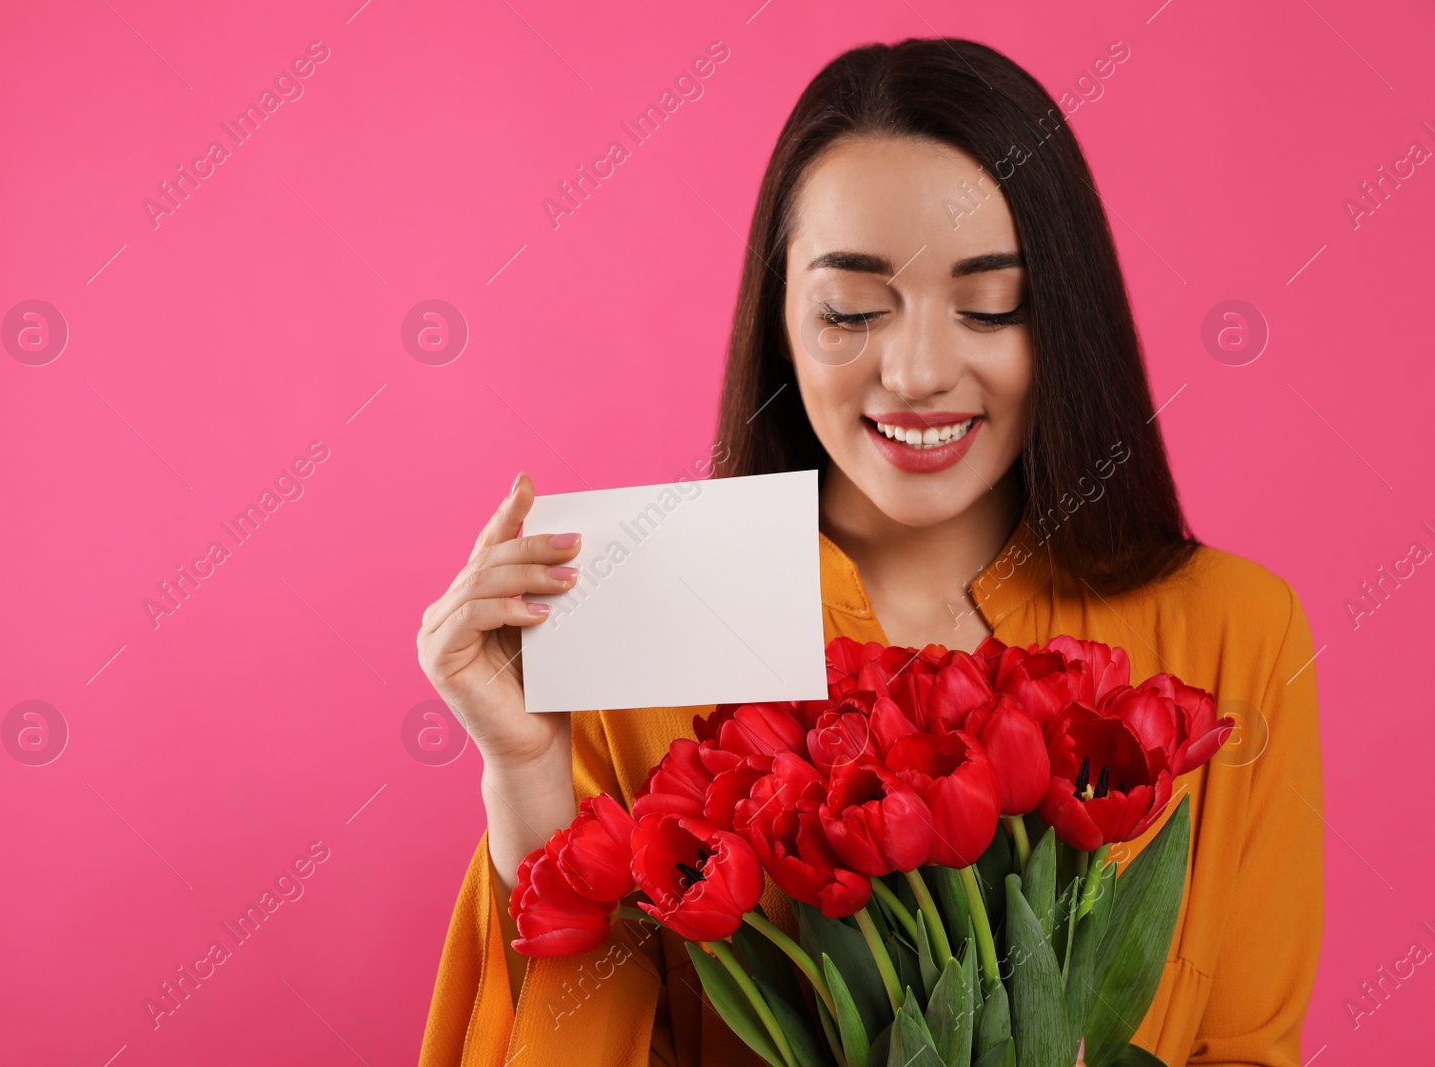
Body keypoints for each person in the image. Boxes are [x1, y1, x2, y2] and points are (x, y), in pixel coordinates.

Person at [415, 37, 1323, 1067]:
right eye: (849, 309)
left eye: (990, 305)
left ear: (1065, 318)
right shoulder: (648, 625)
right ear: (780, 322)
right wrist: (526, 771)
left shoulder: (1235, 635)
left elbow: (1248, 1041)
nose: (919, 368)